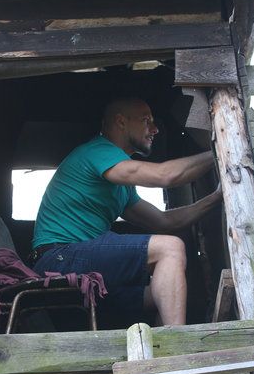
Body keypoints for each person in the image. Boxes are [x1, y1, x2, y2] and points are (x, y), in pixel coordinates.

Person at [31, 97, 222, 325]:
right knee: (171, 248)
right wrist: (218, 149)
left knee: (163, 294)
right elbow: (165, 175)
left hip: (80, 265)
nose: (155, 129)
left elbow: (163, 221)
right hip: (60, 259)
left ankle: (164, 352)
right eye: (146, 121)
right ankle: (177, 341)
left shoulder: (122, 188)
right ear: (121, 122)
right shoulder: (98, 151)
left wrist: (214, 199)